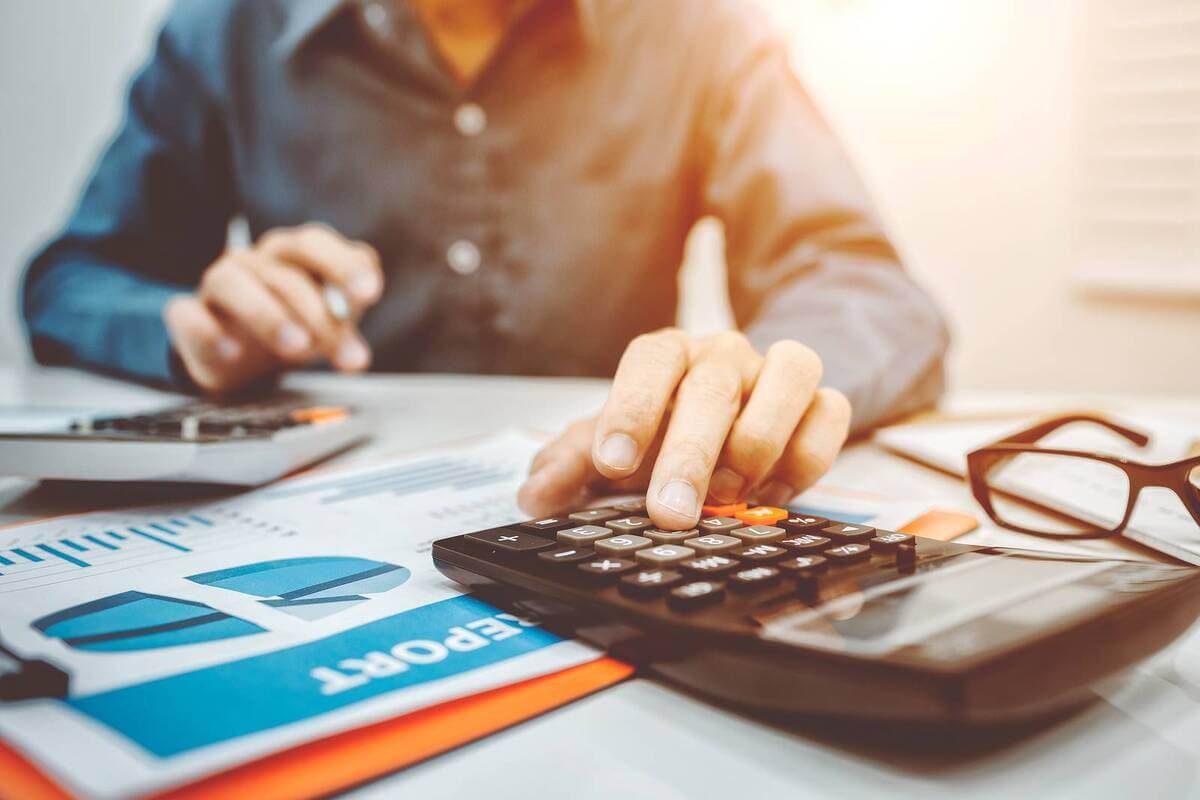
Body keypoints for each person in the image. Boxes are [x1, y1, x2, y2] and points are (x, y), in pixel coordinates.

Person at [19, 0, 949, 531]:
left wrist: (757, 387)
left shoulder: (697, 30)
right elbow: (74, 277)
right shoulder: (222, 28)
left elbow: (861, 285)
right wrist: (188, 332)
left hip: (609, 519)